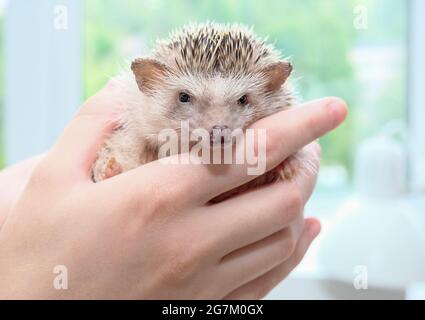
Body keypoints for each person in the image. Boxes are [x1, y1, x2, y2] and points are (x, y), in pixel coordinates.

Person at [0, 81, 347, 299]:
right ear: (147, 82)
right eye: (185, 98)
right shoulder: (137, 125)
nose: (217, 125)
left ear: (273, 84)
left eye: (241, 100)